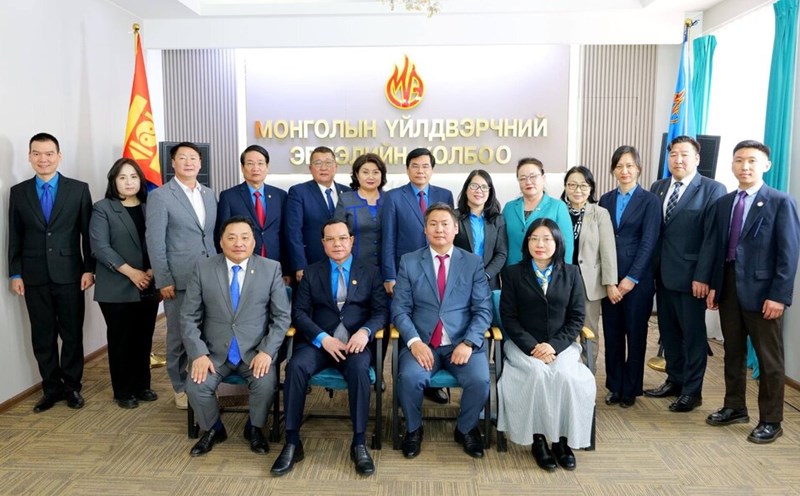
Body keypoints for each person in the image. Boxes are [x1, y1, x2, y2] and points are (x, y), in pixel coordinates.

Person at [699, 140, 800, 444]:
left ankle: (771, 420)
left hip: (764, 294)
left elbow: (788, 254)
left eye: (752, 161)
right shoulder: (724, 203)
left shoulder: (780, 202)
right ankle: (734, 406)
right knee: (733, 352)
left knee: (769, 360)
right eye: (739, 160)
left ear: (765, 165)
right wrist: (715, 286)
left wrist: (779, 296)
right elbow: (719, 248)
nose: (745, 166)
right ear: (732, 165)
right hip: (728, 289)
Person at [272, 219, 389, 476]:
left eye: (342, 238)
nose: (337, 244)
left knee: (360, 370)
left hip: (354, 345)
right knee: (295, 367)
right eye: (331, 239)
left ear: (351, 240)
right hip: (319, 344)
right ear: (323, 244)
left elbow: (382, 312)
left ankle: (359, 442)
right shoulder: (311, 273)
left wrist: (365, 332)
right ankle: (292, 440)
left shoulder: (370, 272)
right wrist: (323, 338)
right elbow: (300, 313)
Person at [182, 216, 290, 457]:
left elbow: (282, 317)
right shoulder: (204, 268)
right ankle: (213, 429)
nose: (238, 243)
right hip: (213, 353)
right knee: (196, 386)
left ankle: (254, 428)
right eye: (231, 237)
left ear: (253, 242)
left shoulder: (270, 268)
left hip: (254, 353)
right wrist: (198, 353)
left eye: (244, 237)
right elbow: (188, 316)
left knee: (265, 384)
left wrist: (267, 352)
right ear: (221, 242)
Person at [393, 203, 493, 459]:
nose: (439, 229)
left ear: (455, 228)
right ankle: (414, 429)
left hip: (461, 343)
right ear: (425, 230)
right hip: (423, 343)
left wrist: (469, 343)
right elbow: (400, 309)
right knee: (409, 378)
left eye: (445, 224)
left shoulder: (472, 263)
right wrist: (414, 342)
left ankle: (466, 428)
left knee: (480, 381)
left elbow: (483, 310)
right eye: (433, 224)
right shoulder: (409, 261)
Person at [498, 218, 594, 471]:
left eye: (546, 239)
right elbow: (509, 317)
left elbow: (576, 318)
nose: (540, 244)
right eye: (534, 238)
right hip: (523, 345)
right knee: (537, 373)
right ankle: (538, 439)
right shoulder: (512, 273)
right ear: (526, 242)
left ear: (557, 242)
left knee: (564, 376)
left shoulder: (571, 273)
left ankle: (562, 441)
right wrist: (533, 346)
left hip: (560, 346)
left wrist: (553, 346)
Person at [8, 132, 95, 412]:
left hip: (70, 274)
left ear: (59, 156)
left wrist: (89, 269)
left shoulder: (78, 189)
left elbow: (87, 234)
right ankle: (51, 388)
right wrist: (15, 273)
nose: (43, 159)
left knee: (71, 334)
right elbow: (15, 236)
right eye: (37, 153)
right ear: (29, 156)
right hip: (34, 277)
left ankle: (72, 387)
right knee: (42, 334)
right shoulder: (18, 192)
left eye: (48, 154)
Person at [644, 136, 726, 412]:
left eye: (684, 155)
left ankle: (693, 391)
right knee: (668, 332)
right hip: (662, 274)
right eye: (673, 154)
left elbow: (712, 239)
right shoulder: (658, 186)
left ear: (697, 159)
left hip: (693, 279)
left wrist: (703, 276)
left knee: (692, 336)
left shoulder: (712, 189)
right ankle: (675, 380)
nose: (678, 160)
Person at [146, 142, 217, 409]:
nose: (188, 162)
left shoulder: (209, 194)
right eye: (182, 158)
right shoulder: (161, 196)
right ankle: (180, 387)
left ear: (200, 163)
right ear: (172, 163)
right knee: (178, 336)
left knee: (207, 332)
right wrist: (163, 278)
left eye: (193, 158)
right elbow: (155, 241)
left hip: (210, 275)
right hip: (179, 279)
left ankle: (204, 383)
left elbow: (209, 236)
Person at [381, 147, 454, 404]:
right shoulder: (393, 197)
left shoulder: (445, 195)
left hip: (437, 272)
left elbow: (449, 235)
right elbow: (387, 239)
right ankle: (406, 383)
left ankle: (431, 384)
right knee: (406, 324)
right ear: (407, 169)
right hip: (405, 273)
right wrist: (390, 276)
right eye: (415, 165)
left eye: (425, 166)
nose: (420, 170)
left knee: (434, 321)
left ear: (432, 169)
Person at [90, 158, 160, 409]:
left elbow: (159, 240)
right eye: (122, 177)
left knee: (144, 338)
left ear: (141, 180)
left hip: (149, 283)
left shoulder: (151, 206)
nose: (129, 182)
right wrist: (132, 273)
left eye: (133, 176)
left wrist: (152, 270)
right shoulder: (103, 208)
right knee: (121, 340)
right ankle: (123, 390)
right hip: (117, 286)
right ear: (113, 181)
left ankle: (143, 385)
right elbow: (100, 247)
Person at [598, 145, 660, 408]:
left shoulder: (650, 201)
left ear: (639, 168)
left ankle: (631, 389)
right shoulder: (605, 199)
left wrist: (630, 279)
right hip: (609, 280)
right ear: (613, 169)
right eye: (619, 166)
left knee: (635, 335)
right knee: (612, 335)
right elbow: (601, 241)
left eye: (630, 166)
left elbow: (649, 242)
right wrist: (610, 281)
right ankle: (614, 385)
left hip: (639, 281)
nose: (625, 171)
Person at [560, 165, 617, 368]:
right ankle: (565, 377)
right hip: (561, 279)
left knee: (589, 332)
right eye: (572, 185)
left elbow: (608, 250)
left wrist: (610, 283)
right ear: (565, 187)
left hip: (588, 283)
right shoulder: (558, 211)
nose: (578, 190)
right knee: (561, 329)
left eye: (583, 185)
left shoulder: (600, 213)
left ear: (591, 187)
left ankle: (586, 380)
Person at [216, 145, 288, 270]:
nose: (256, 168)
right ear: (242, 168)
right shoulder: (228, 196)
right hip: (242, 263)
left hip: (275, 262)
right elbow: (222, 234)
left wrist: (287, 269)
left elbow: (286, 233)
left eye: (260, 163)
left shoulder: (280, 195)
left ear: (267, 167)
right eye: (250, 163)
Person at [286, 146, 351, 282]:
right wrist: (300, 265)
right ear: (310, 168)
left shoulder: (348, 192)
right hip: (311, 263)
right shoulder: (298, 192)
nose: (323, 167)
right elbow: (293, 231)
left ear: (336, 166)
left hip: (344, 263)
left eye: (328, 163)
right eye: (318, 163)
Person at [503, 158, 573, 267]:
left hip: (548, 274)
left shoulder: (558, 207)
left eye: (533, 176)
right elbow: (501, 243)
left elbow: (566, 245)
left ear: (543, 178)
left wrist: (563, 274)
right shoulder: (509, 208)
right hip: (513, 274)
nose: (528, 182)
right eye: (522, 178)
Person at [454, 169, 508, 290]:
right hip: (459, 281)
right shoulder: (454, 217)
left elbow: (501, 253)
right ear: (466, 189)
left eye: (484, 187)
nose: (479, 191)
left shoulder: (497, 220)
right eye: (474, 186)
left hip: (488, 283)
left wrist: (485, 275)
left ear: (490, 192)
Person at [334, 153, 386, 269]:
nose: (371, 177)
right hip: (355, 266)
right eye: (365, 172)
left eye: (376, 172)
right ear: (357, 175)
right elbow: (336, 233)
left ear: (382, 175)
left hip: (386, 266)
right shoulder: (346, 200)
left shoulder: (391, 199)